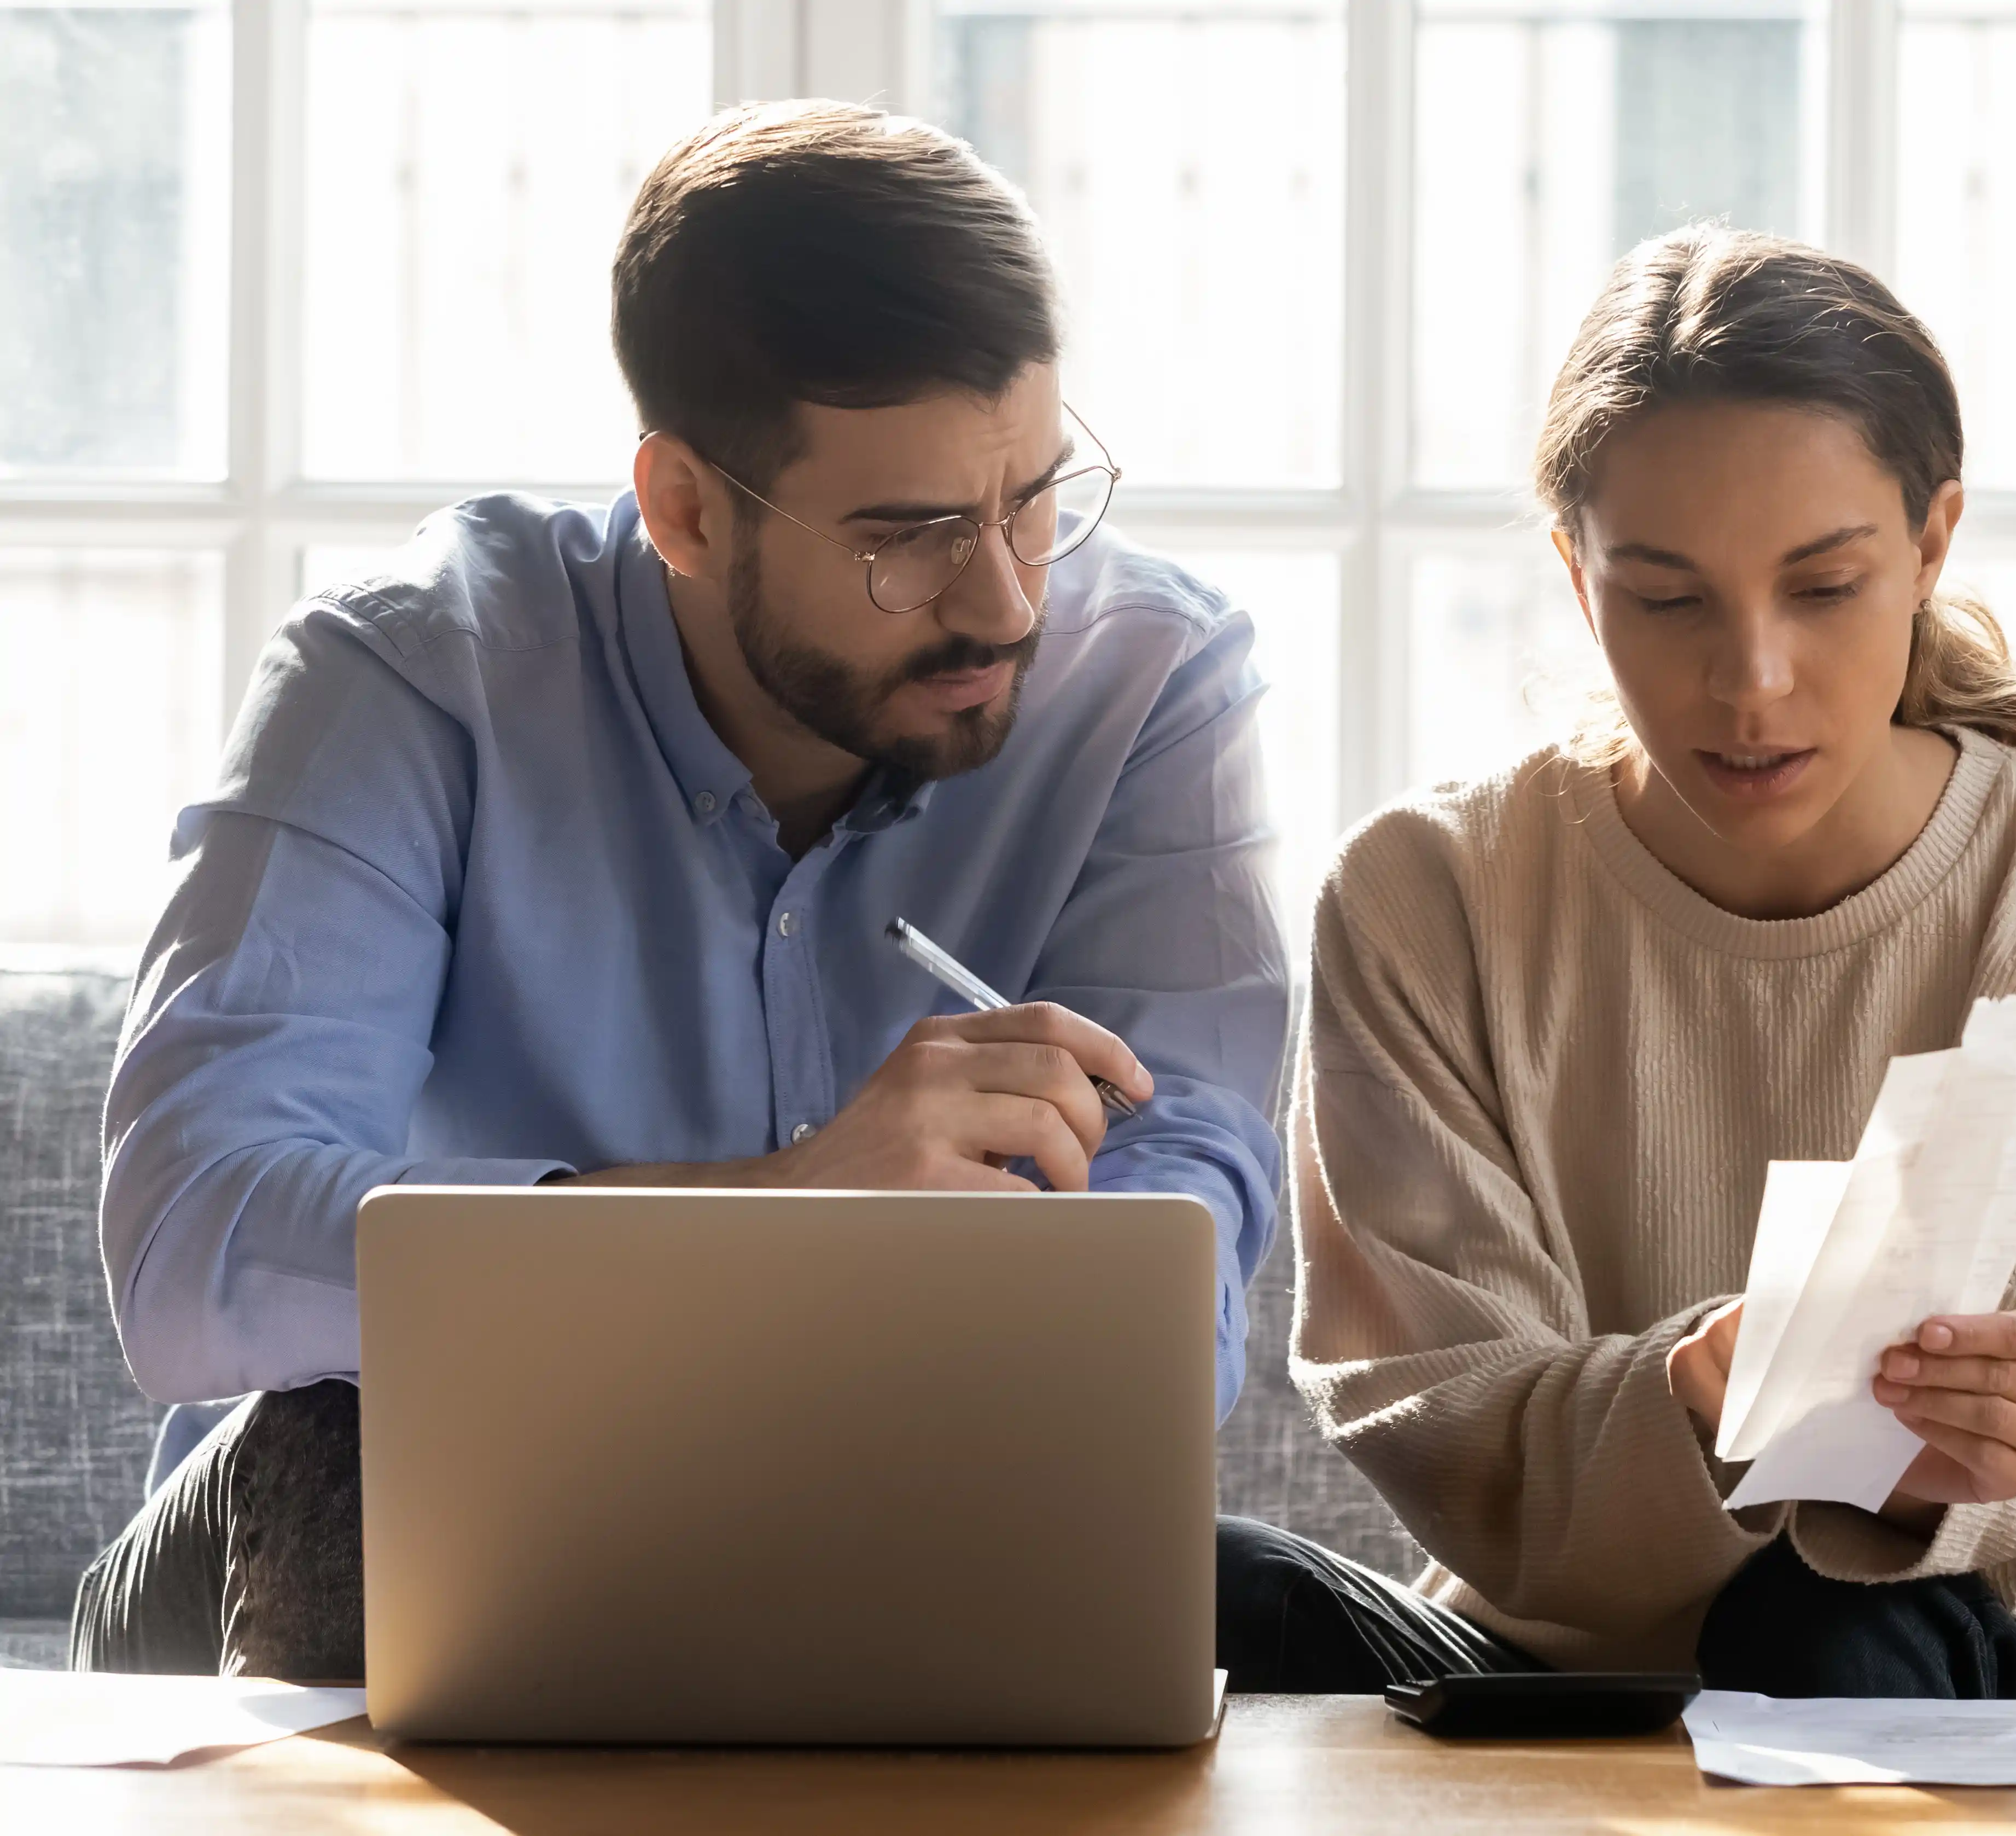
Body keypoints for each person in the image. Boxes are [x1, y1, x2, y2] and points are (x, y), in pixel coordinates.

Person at [73, 101, 1321, 1679]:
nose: (1007, 597)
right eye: (910, 536)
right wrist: (790, 1209)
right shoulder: (408, 678)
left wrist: (1063, 1343)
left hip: (872, 1496)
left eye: (1033, 497)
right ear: (684, 507)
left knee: (1281, 1614)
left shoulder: (1153, 685)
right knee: (346, 1460)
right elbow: (196, 1237)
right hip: (324, 1528)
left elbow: (1180, 1203)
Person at [1270, 226, 2016, 1700]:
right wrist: (1684, 1401)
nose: (1750, 680)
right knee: (1197, 1590)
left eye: (1824, 587)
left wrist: (1958, 1456)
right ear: (1575, 571)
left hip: (1981, 1630)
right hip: (1552, 1658)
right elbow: (1444, 1421)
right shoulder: (1425, 897)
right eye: (1666, 599)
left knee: (1818, 1629)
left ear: (1930, 544)